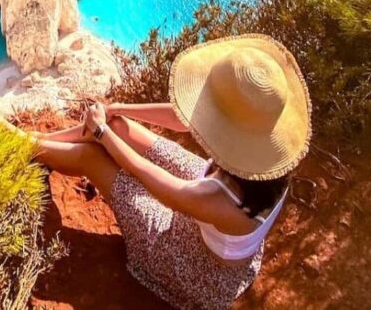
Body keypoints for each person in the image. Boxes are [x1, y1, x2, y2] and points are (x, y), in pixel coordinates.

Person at [31, 34, 312, 310]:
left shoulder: (220, 200)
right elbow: (184, 116)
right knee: (120, 126)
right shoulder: (271, 159)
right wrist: (117, 111)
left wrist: (101, 132)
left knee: (91, 157)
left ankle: (26, 145)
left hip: (194, 267)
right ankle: (34, 137)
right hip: (215, 205)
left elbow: (145, 174)